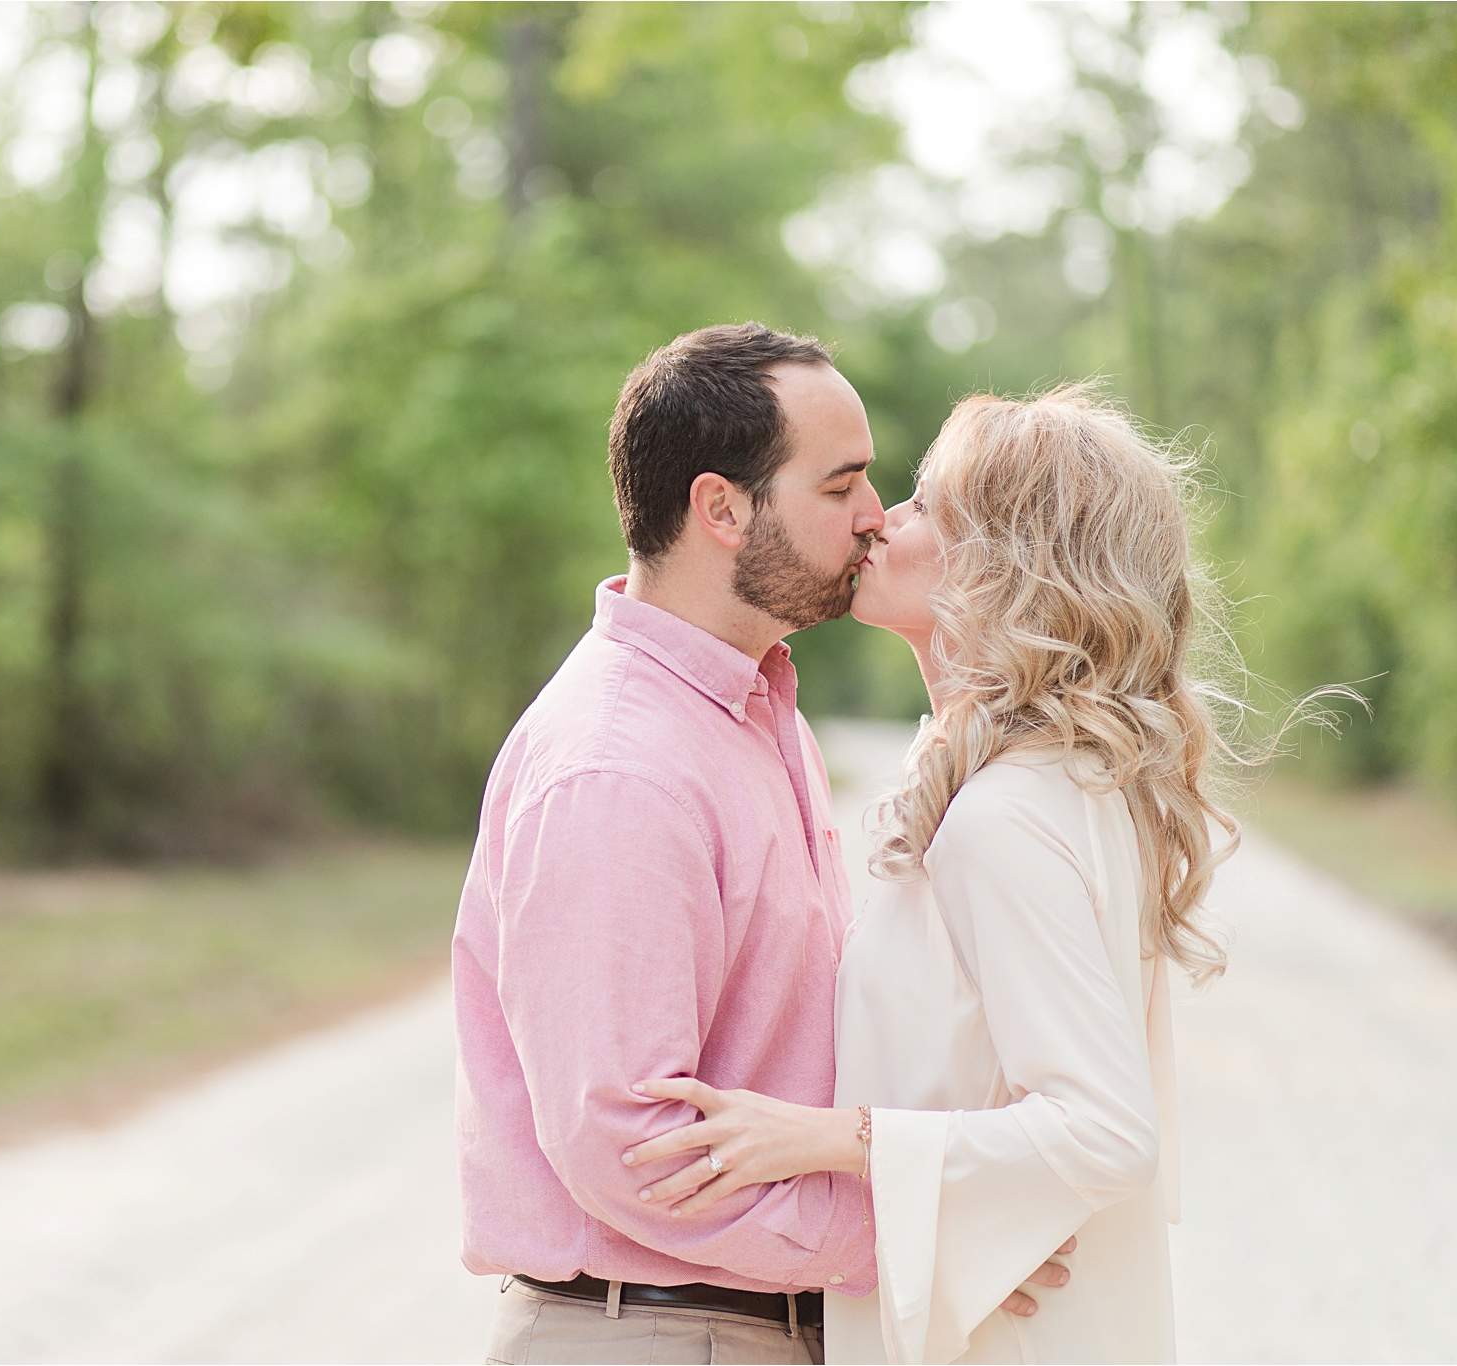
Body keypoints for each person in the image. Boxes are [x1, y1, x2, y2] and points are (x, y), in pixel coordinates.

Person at [453, 326, 1066, 1366]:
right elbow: (632, 1148)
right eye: (840, 487)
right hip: (649, 1334)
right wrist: (909, 1235)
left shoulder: (751, 712)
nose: (875, 519)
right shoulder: (619, 767)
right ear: (721, 509)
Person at [623, 385, 1229, 1363]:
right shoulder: (1050, 784)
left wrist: (827, 1138)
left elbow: (1106, 1130)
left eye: (919, 506)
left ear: (1001, 564)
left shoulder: (1007, 816)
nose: (876, 520)